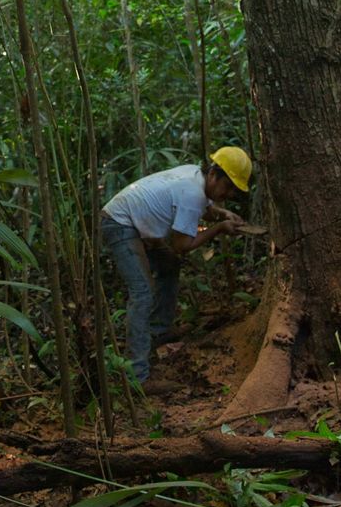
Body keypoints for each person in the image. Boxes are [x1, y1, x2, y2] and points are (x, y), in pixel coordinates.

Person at [101, 146, 253, 393]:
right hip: (120, 224)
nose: (228, 194)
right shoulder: (192, 194)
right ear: (214, 174)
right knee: (142, 292)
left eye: (233, 192)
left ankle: (159, 330)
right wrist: (219, 228)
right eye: (227, 187)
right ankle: (137, 378)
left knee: (169, 264)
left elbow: (202, 208)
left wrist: (221, 213)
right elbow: (182, 245)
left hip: (131, 221)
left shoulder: (194, 175)